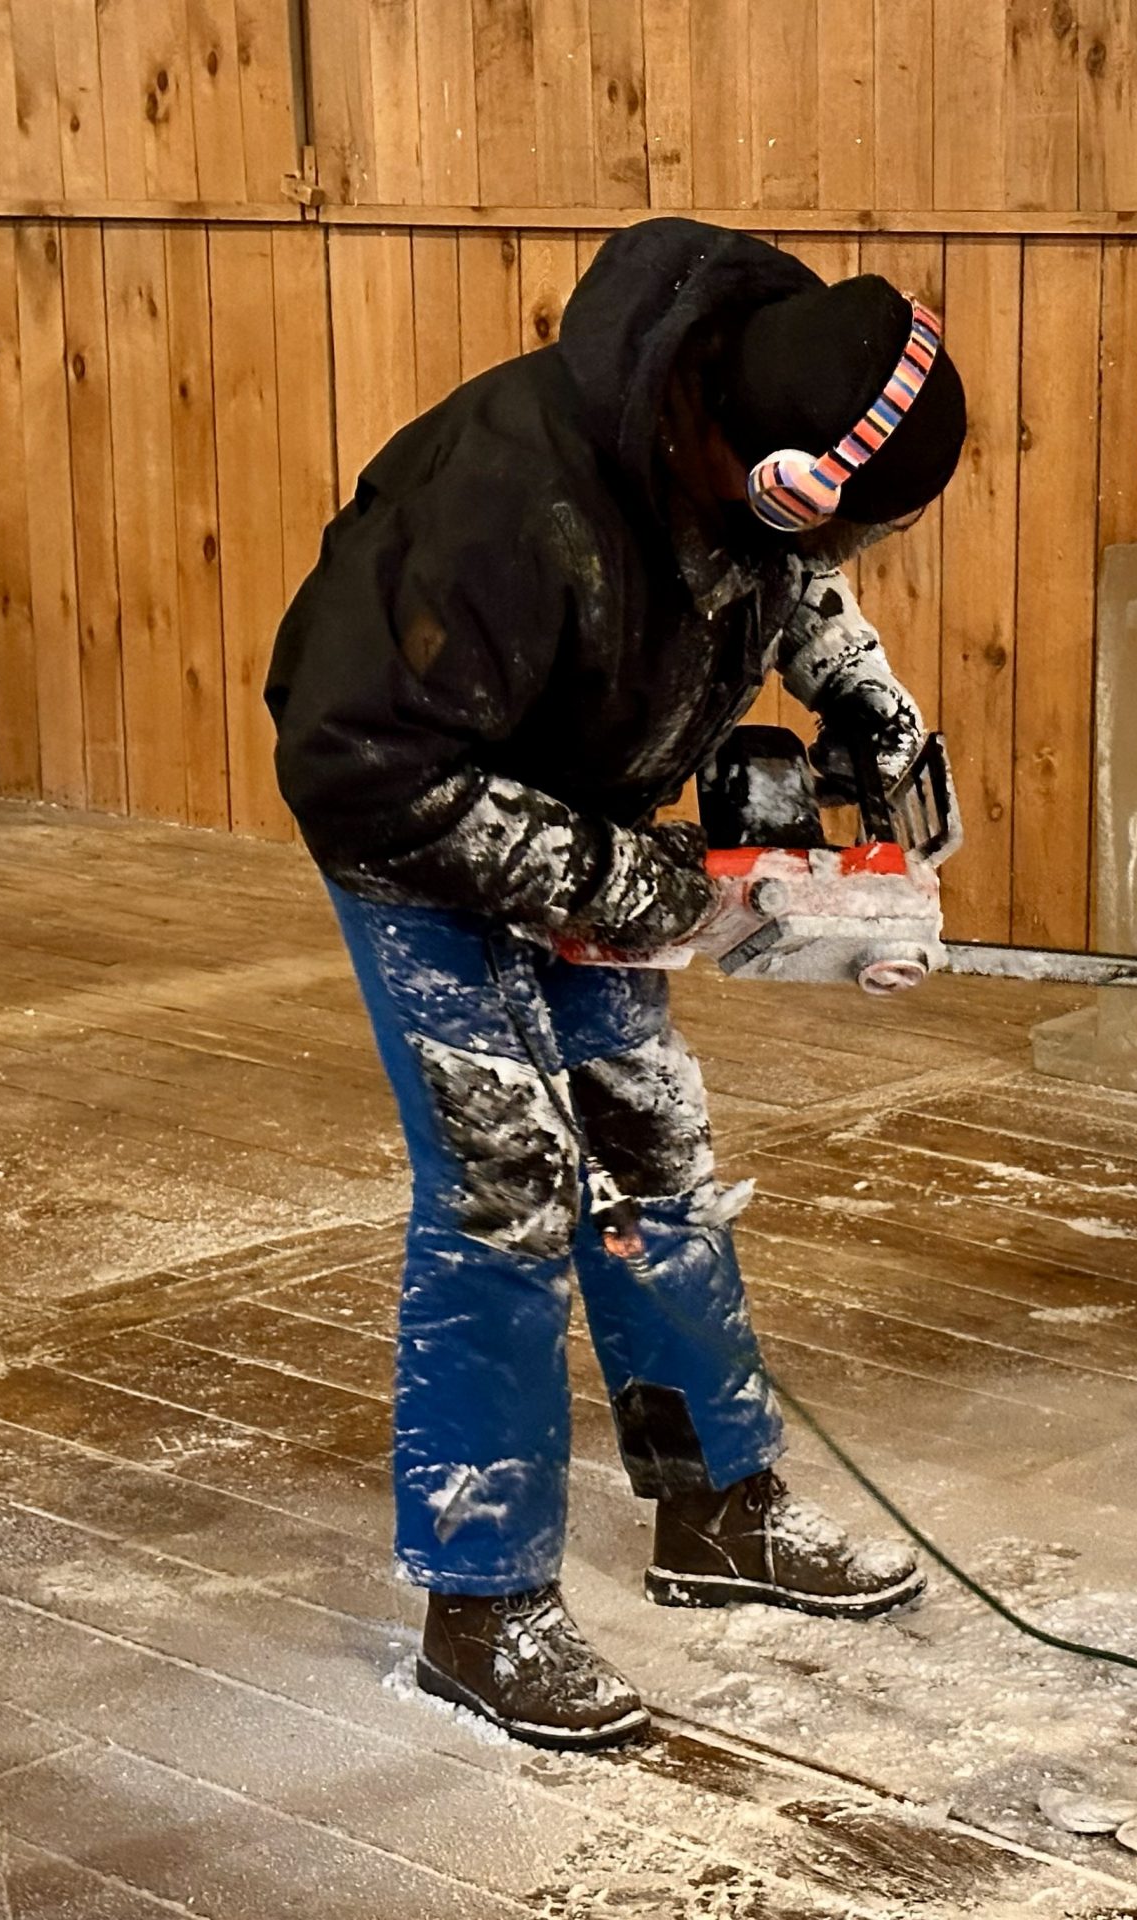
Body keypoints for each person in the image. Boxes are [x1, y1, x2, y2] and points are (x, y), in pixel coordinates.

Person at [264, 218, 966, 1751]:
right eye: (843, 531)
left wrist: (865, 700)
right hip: (416, 823)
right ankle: (483, 1601)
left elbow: (789, 576)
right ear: (776, 470)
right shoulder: (508, 503)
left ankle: (715, 1505)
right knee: (509, 1183)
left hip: (580, 806)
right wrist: (635, 886)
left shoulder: (744, 417)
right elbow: (356, 764)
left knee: (651, 1143)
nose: (840, 562)